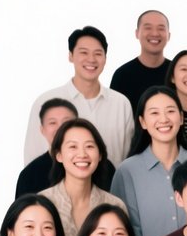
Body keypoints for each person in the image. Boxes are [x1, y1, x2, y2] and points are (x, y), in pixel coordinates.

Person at [24, 26, 134, 168]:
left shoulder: (120, 103)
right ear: (70, 56)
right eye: (83, 52)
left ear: (105, 58)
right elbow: (32, 159)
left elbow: (126, 159)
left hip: (110, 181)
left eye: (98, 53)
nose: (91, 59)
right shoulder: (46, 102)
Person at [111, 86, 187, 236]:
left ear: (181, 118)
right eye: (154, 113)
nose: (163, 119)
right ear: (142, 122)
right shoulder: (127, 171)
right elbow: (124, 231)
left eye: (170, 111)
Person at [39, 118, 127, 236]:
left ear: (100, 155)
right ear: (59, 155)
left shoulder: (114, 205)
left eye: (89, 146)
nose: (82, 154)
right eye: (73, 147)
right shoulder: (42, 203)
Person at [110, 11, 172, 113]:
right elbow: (115, 116)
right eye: (148, 28)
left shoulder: (177, 73)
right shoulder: (122, 75)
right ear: (137, 33)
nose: (155, 33)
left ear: (169, 35)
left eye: (161, 28)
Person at [15, 99, 78, 197]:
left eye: (66, 121)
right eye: (52, 123)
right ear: (42, 129)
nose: (60, 128)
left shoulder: (95, 165)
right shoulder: (30, 174)